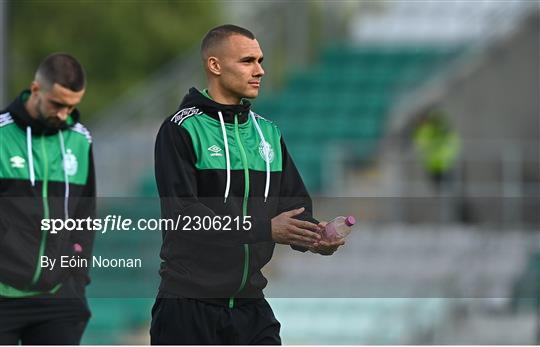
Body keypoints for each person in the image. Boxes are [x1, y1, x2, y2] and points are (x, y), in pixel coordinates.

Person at [151, 24, 345, 345]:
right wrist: (265, 229)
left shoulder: (268, 133)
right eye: (248, 61)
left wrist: (316, 236)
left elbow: (293, 209)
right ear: (215, 65)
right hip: (187, 309)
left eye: (260, 60)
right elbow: (184, 215)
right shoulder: (180, 129)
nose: (260, 70)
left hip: (250, 309)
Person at [0, 53, 96, 344]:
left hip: (58, 298)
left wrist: (76, 278)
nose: (64, 114)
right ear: (36, 89)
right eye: (57, 104)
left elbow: (85, 215)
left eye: (72, 106)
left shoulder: (81, 140)